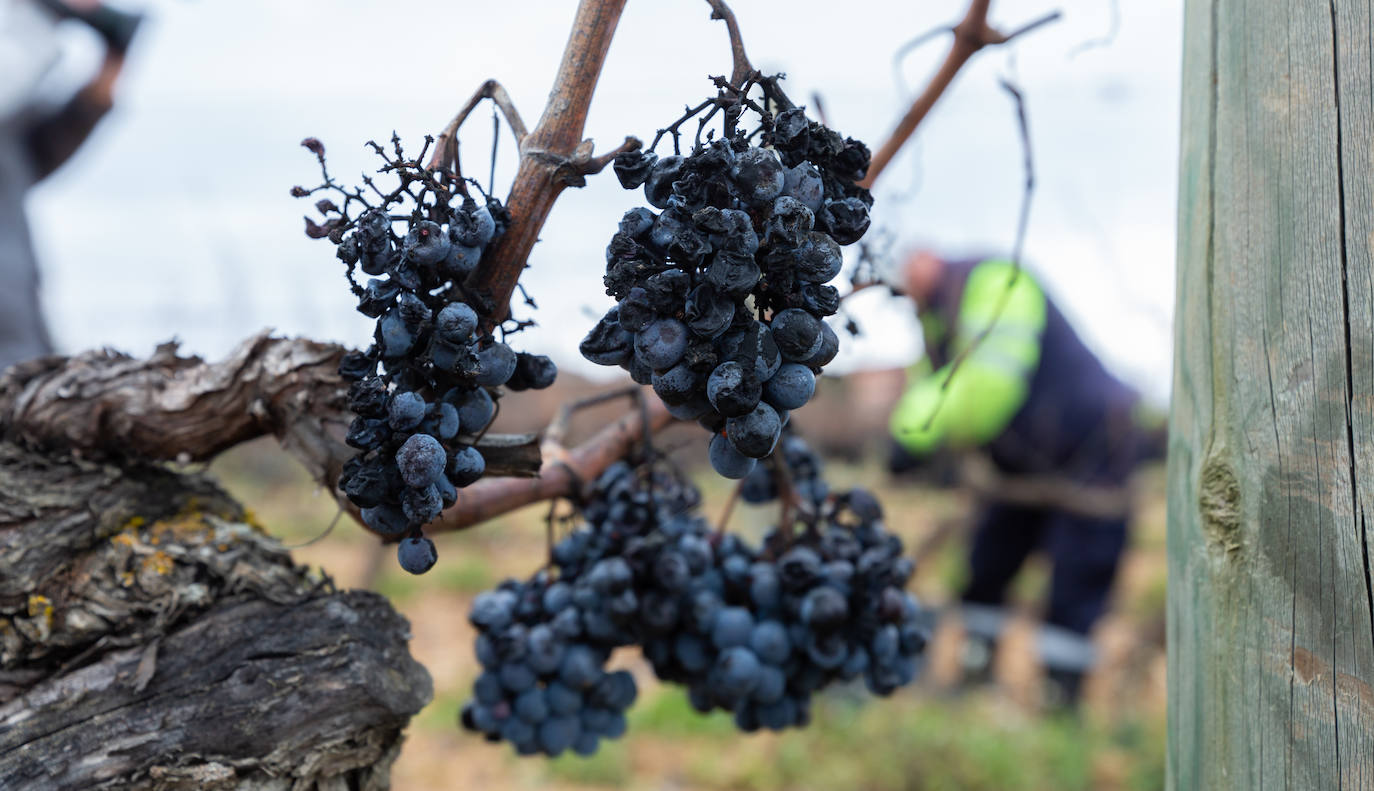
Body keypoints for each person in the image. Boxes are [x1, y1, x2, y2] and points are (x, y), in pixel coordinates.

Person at [887, 250, 1144, 708]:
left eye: (907, 273)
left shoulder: (995, 281)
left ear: (927, 261)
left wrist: (913, 433)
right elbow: (934, 379)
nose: (903, 286)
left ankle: (1059, 705)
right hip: (1021, 461)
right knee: (988, 565)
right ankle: (974, 677)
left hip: (1092, 450)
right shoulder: (934, 315)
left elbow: (989, 384)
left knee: (1076, 584)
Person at [0, 0, 140, 371]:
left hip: (22, 352)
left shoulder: (9, 144)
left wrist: (116, 50)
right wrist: (45, 10)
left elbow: (60, 135)